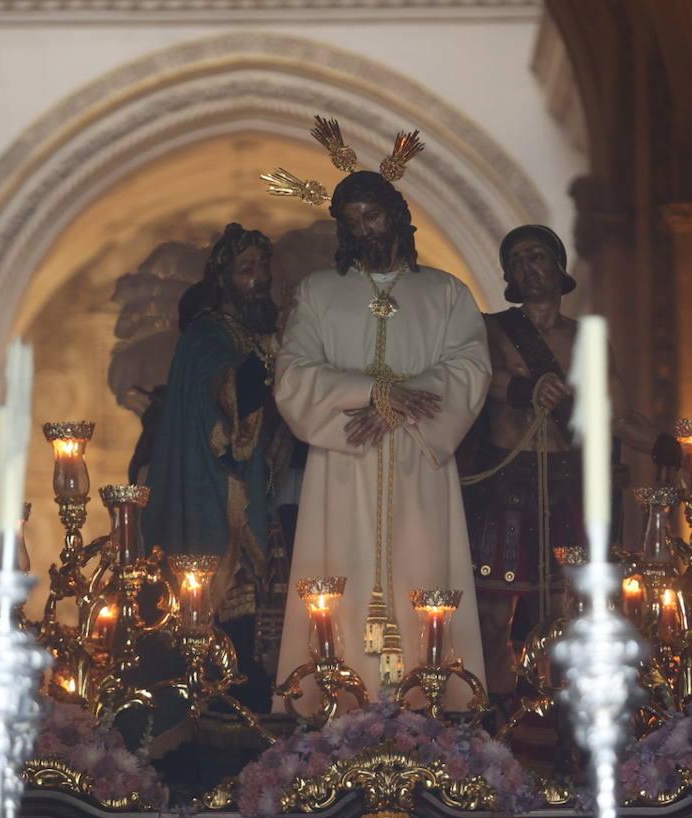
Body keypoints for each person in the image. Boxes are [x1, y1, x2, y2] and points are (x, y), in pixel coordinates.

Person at [272, 171, 492, 708]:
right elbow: (294, 374)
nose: (365, 230)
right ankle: (334, 707)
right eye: (352, 222)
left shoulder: (446, 293)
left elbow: (469, 368)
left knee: (425, 569)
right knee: (338, 570)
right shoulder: (319, 291)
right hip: (344, 461)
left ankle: (433, 704)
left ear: (396, 213)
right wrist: (375, 393)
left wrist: (400, 405)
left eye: (372, 215)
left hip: (420, 463)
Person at [462, 224, 680, 702]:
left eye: (537, 255)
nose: (527, 266)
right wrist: (523, 389)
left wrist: (665, 444)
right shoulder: (491, 329)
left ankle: (554, 723)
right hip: (505, 484)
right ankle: (496, 719)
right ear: (508, 276)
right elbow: (473, 382)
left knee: (563, 613)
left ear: (558, 267)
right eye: (516, 260)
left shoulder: (588, 340)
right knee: (492, 615)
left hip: (566, 486)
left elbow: (618, 418)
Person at [141, 223, 294, 711]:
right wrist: (272, 351)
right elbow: (225, 399)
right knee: (230, 628)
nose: (260, 279)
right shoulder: (208, 334)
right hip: (219, 497)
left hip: (265, 492)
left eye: (264, 267)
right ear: (223, 277)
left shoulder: (253, 333)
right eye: (246, 270)